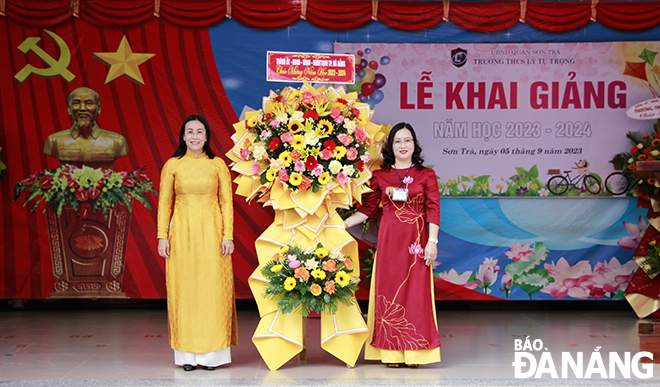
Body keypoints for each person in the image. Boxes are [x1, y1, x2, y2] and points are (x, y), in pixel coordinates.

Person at [343, 122, 441, 368]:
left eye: (407, 140)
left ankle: (415, 353)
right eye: (397, 141)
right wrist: (342, 224)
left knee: (416, 296)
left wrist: (432, 241)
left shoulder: (426, 174)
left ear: (415, 144)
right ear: (390, 146)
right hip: (388, 246)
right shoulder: (380, 176)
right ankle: (391, 354)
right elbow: (367, 210)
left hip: (416, 245)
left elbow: (433, 209)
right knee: (388, 296)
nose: (403, 145)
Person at [157, 115, 237, 371]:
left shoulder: (217, 165)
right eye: (189, 131)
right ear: (183, 136)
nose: (194, 136)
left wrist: (228, 236)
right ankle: (187, 356)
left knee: (211, 291)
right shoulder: (172, 165)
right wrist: (162, 236)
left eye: (199, 132)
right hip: (181, 233)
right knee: (185, 291)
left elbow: (226, 202)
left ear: (206, 137)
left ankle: (212, 356)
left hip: (212, 234)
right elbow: (164, 203)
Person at [44, 87, 128, 170]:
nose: (83, 108)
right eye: (76, 103)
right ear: (69, 109)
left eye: (89, 104)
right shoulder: (54, 141)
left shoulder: (117, 141)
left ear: (98, 110)